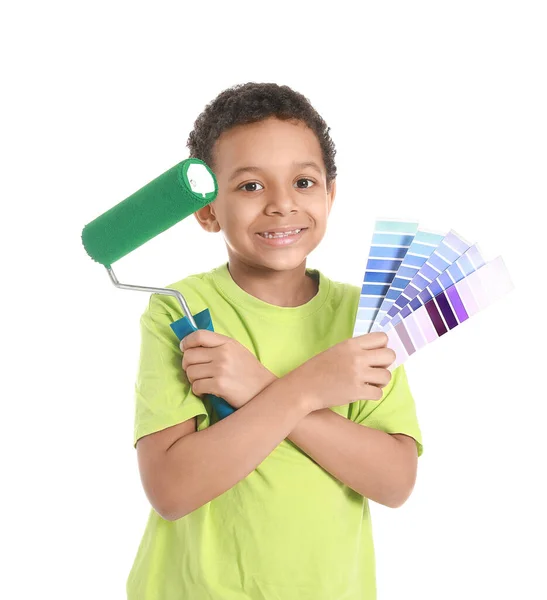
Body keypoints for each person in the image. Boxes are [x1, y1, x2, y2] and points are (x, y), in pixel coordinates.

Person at [127, 82, 423, 600]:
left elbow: (395, 482)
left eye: (304, 182)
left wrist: (268, 387)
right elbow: (171, 491)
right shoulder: (181, 313)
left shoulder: (366, 316)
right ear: (206, 209)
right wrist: (305, 389)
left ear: (330, 194)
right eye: (249, 187)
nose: (283, 206)